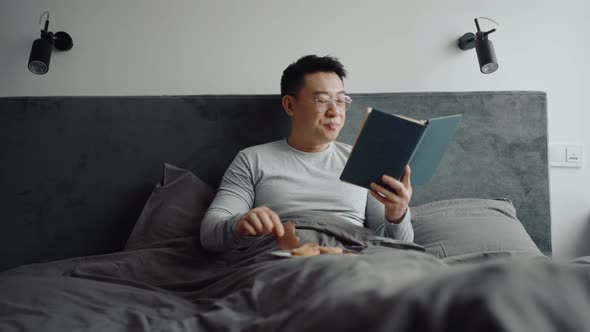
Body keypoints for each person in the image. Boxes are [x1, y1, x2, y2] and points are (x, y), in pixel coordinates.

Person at [200, 55, 413, 252]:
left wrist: (397, 216)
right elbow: (210, 232)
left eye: (340, 100)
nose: (335, 111)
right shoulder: (252, 160)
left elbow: (397, 246)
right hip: (286, 259)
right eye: (322, 100)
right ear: (290, 105)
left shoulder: (365, 160)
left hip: (351, 259)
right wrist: (239, 224)